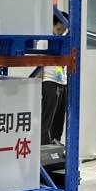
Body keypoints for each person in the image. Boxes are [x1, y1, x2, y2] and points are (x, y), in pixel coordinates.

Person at [40, 11, 68, 145]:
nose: (60, 33)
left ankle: (56, 145)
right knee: (47, 119)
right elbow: (39, 63)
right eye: (58, 29)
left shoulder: (61, 41)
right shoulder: (45, 40)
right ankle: (45, 147)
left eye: (63, 31)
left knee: (59, 119)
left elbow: (60, 65)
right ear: (53, 25)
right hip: (49, 82)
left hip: (61, 81)